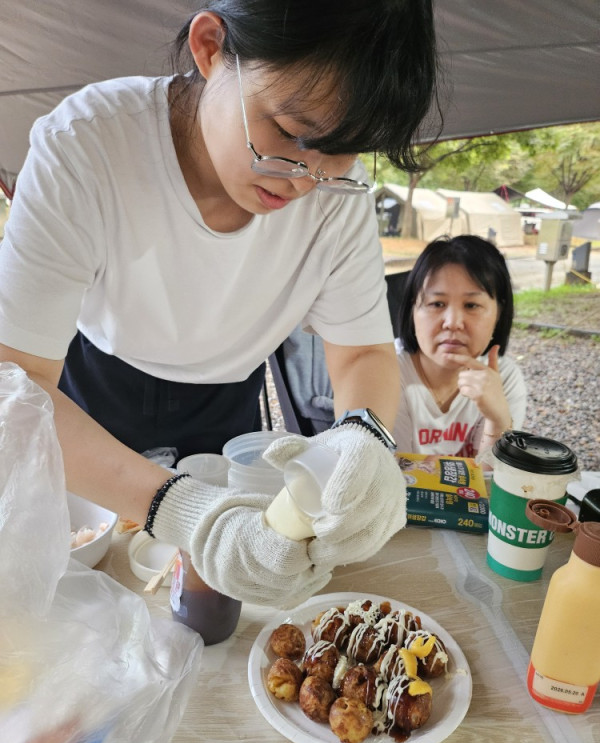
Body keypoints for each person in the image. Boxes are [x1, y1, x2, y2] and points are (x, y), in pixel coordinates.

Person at [0, 2, 440, 608]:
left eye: (343, 152)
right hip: (88, 404)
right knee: (94, 587)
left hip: (229, 404)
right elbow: (16, 383)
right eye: (290, 132)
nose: (304, 180)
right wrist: (177, 506)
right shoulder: (87, 143)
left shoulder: (336, 196)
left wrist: (364, 434)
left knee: (222, 598)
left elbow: (362, 350)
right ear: (210, 47)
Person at [393, 235, 527, 461]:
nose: (452, 322)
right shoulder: (388, 372)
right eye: (437, 304)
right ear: (411, 310)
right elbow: (395, 473)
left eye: (471, 305)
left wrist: (498, 421)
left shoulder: (504, 379)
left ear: (499, 314)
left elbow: (493, 478)